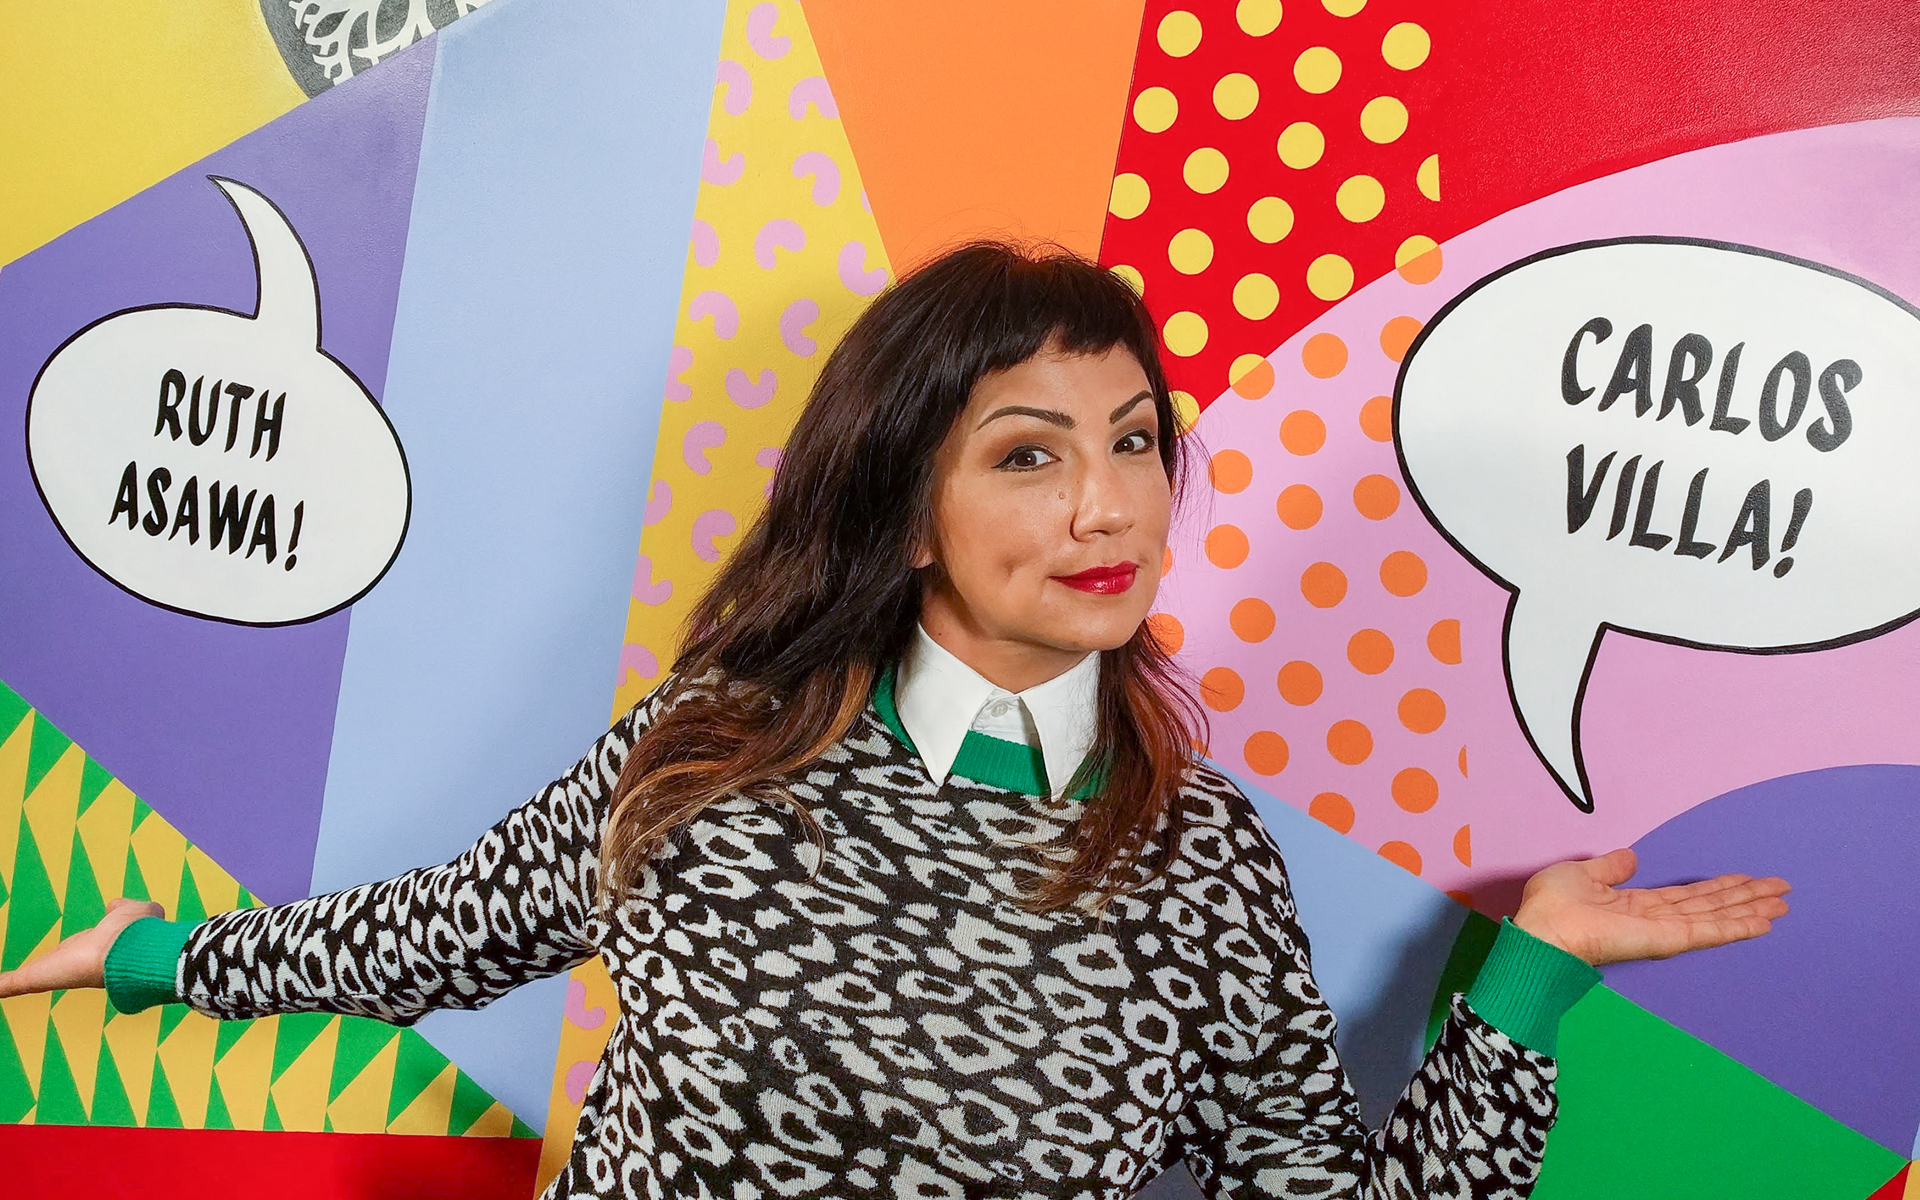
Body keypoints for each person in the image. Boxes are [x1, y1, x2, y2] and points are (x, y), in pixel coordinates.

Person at [0, 243, 1789, 1199]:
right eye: (1029, 454)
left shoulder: (1197, 861)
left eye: (1134, 441)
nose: (1110, 505)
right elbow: (439, 933)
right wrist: (149, 953)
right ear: (905, 506)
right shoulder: (711, 749)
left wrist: (1531, 987)